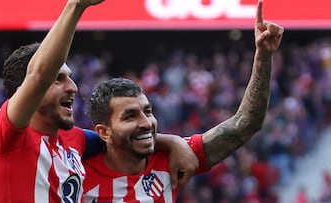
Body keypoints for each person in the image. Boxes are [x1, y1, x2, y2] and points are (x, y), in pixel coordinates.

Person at [0, 0, 199, 202]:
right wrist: (75, 6)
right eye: (58, 79)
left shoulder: (74, 140)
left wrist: (172, 141)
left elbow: (118, 137)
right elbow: (39, 76)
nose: (73, 87)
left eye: (70, 78)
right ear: (27, 91)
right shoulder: (5, 137)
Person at [82, 0, 284, 202]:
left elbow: (246, 123)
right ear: (104, 132)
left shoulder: (171, 159)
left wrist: (263, 57)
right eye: (130, 116)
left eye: (148, 111)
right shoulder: (76, 175)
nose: (146, 122)